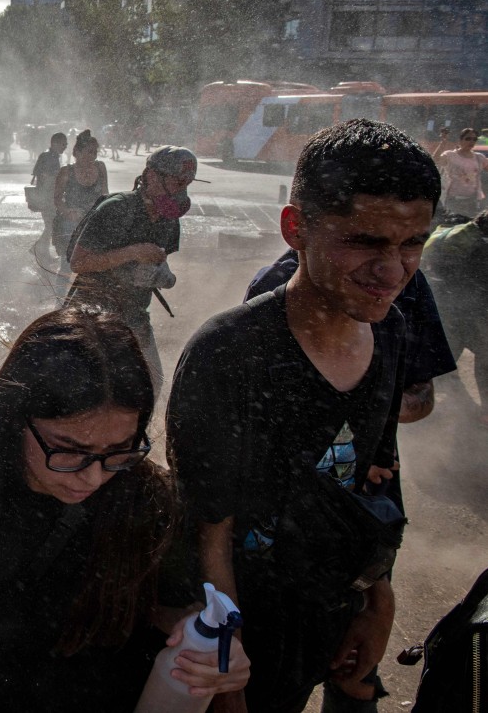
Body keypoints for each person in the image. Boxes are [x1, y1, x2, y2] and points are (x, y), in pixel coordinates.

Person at [167, 119, 441, 712]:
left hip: (338, 613)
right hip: (251, 638)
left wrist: (377, 598)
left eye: (412, 243)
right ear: (296, 228)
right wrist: (227, 680)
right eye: (365, 242)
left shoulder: (390, 331)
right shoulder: (228, 354)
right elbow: (206, 535)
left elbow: (377, 470)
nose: (393, 272)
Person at [0, 308, 250, 713]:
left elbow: (174, 612)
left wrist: (209, 648)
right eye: (70, 451)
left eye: (118, 451)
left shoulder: (151, 502)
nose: (92, 478)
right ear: (15, 415)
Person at [67, 145, 197, 391]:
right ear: (150, 176)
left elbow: (157, 262)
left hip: (134, 312)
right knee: (86, 388)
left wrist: (160, 273)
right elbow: (78, 263)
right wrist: (132, 253)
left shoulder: (169, 221)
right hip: (92, 312)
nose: (181, 191)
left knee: (151, 384)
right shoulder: (116, 209)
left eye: (186, 184)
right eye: (176, 182)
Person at [420, 210, 488, 424]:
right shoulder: (483, 248)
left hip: (447, 306)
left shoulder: (464, 238)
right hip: (476, 312)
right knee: (485, 360)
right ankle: (485, 412)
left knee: (440, 358)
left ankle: (418, 405)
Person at [52, 130, 109, 295]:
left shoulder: (100, 167)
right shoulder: (66, 172)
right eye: (88, 152)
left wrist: (102, 211)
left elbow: (105, 193)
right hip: (70, 224)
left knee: (95, 263)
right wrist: (67, 212)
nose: (92, 156)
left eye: (94, 152)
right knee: (66, 264)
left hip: (94, 221)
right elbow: (57, 200)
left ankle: (87, 298)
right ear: (76, 152)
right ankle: (59, 300)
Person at [432, 127, 488, 218]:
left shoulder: (479, 157)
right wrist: (443, 142)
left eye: (474, 139)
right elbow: (435, 159)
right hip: (454, 200)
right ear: (460, 140)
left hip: (472, 201)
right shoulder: (451, 155)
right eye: (468, 138)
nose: (471, 141)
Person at [29, 132, 67, 267]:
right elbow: (45, 178)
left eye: (66, 144)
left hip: (48, 197)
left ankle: (42, 252)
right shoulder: (49, 157)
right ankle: (38, 249)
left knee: (50, 226)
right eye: (63, 144)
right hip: (47, 198)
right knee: (51, 226)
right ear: (54, 143)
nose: (65, 147)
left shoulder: (51, 156)